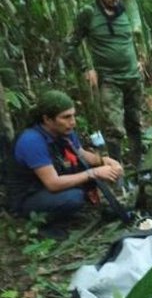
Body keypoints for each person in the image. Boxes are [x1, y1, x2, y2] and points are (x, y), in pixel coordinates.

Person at [6, 90, 123, 232]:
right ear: (47, 119)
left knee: (87, 174)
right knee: (74, 197)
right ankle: (43, 225)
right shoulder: (32, 141)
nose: (72, 122)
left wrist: (104, 161)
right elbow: (53, 184)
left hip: (48, 183)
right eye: (66, 117)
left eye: (73, 116)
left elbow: (81, 155)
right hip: (29, 196)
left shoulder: (65, 131)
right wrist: (94, 172)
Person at [66, 0, 143, 168]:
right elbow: (69, 44)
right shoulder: (89, 13)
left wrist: (142, 58)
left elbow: (141, 35)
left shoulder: (127, 9)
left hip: (133, 77)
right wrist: (86, 68)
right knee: (114, 128)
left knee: (135, 122)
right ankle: (116, 172)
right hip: (109, 80)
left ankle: (140, 165)